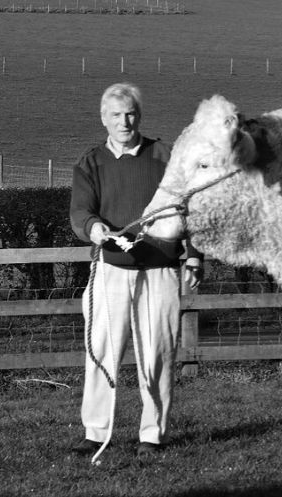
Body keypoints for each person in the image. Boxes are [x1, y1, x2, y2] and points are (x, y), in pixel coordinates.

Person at [69, 82, 203, 457]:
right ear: (103, 119)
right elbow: (81, 211)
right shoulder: (90, 162)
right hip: (110, 271)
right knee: (100, 352)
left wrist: (194, 254)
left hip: (160, 272)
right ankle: (95, 433)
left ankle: (152, 435)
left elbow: (191, 206)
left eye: (130, 113)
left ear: (139, 116)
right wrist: (95, 229)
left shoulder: (166, 155)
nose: (124, 121)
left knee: (157, 354)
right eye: (115, 115)